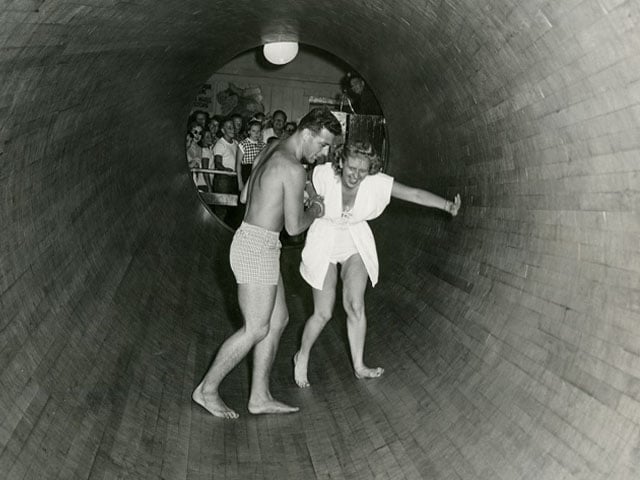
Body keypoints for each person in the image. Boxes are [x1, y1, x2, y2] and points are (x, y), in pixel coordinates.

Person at [192, 107, 342, 419]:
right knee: (256, 328)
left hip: (259, 242)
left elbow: (246, 195)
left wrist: (284, 195)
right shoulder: (293, 168)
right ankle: (206, 390)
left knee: (278, 320)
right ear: (306, 134)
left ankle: (259, 396)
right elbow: (294, 227)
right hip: (257, 246)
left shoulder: (273, 147)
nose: (324, 153)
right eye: (323, 144)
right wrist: (314, 207)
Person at [293, 142, 461, 388]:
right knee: (323, 313)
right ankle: (303, 355)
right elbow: (304, 177)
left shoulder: (376, 181)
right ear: (341, 162)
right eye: (351, 168)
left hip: (354, 239)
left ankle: (359, 366)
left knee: (355, 305)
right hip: (324, 239)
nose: (356, 175)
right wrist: (309, 194)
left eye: (362, 170)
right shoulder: (325, 173)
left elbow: (413, 194)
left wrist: (447, 206)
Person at [212, 118, 239, 223]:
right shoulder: (220, 144)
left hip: (233, 179)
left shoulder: (236, 143)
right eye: (229, 128)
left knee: (231, 210)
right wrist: (225, 169)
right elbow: (217, 163)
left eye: (233, 127)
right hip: (223, 180)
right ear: (223, 130)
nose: (232, 129)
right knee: (221, 210)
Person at [236, 120, 266, 189]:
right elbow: (238, 164)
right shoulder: (243, 144)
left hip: (258, 172)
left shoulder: (263, 145)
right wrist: (240, 182)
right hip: (246, 172)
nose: (256, 133)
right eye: (253, 131)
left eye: (258, 131)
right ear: (249, 131)